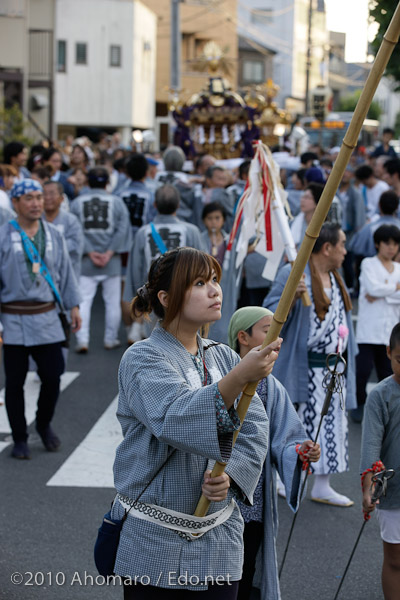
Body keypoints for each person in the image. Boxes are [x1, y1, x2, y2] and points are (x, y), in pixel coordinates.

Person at [111, 247, 282, 598]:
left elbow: (254, 428)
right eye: (200, 282)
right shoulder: (142, 357)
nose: (214, 290)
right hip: (153, 540)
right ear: (166, 297)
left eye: (215, 280)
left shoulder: (222, 354)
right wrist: (239, 377)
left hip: (219, 537)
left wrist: (230, 474)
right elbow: (174, 418)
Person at [228, 306, 321, 600]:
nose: (275, 337)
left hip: (253, 503)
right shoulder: (220, 378)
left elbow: (286, 438)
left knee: (245, 571)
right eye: (268, 330)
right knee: (219, 573)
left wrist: (301, 451)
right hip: (218, 496)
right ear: (243, 337)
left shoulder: (271, 385)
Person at [264, 223, 358, 506]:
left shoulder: (335, 276)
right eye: (341, 244)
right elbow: (267, 316)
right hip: (303, 367)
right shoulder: (292, 272)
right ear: (327, 247)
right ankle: (285, 477)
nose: (344, 250)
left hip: (332, 370)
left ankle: (322, 485)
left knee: (331, 426)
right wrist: (290, 297)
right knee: (296, 427)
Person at [0, 179, 81, 459]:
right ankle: (20, 437)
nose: (36, 202)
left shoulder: (54, 234)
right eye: (29, 198)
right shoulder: (2, 235)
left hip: (46, 316)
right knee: (14, 381)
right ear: (15, 203)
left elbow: (66, 271)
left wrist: (73, 305)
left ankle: (44, 423)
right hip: (12, 319)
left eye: (38, 197)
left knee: (52, 375)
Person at [70, 167, 131, 353]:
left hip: (86, 261)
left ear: (88, 182)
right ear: (107, 182)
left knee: (84, 301)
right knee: (112, 302)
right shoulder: (117, 202)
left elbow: (75, 229)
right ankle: (110, 338)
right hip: (110, 260)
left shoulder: (78, 202)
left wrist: (89, 251)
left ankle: (82, 339)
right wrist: (110, 251)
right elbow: (122, 228)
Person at [360, 322, 400, 600]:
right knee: (396, 559)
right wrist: (368, 488)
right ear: (388, 352)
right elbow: (370, 446)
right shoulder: (380, 396)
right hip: (395, 489)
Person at [353, 225, 400, 422]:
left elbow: (377, 292)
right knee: (362, 370)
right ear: (377, 244)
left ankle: (386, 406)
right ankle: (359, 404)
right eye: (387, 243)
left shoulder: (398, 268)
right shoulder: (368, 263)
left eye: (395, 244)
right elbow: (371, 289)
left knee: (387, 371)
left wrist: (381, 292)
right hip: (368, 328)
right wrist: (394, 289)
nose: (391, 248)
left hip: (390, 329)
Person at [42, 181, 84, 279]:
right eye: (44, 194)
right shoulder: (35, 220)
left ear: (61, 198)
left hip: (66, 274)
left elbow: (76, 247)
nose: (47, 198)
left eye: (52, 194)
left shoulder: (71, 220)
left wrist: (48, 248)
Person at [201, 201, 228, 266]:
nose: (213, 222)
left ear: (224, 220)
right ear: (204, 221)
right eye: (209, 218)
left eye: (217, 218)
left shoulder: (230, 241)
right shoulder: (199, 240)